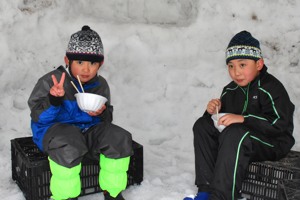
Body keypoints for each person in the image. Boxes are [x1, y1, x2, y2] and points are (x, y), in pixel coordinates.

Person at [184, 31, 295, 200]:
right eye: (231, 66)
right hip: (239, 139)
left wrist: (244, 119)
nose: (236, 72)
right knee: (202, 125)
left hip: (273, 143)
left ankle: (222, 196)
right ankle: (205, 190)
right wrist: (211, 112)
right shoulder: (230, 90)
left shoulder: (271, 88)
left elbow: (280, 124)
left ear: (258, 64)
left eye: (242, 65)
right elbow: (218, 123)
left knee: (235, 133)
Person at [28, 25, 133, 200]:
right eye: (80, 62)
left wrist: (102, 113)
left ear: (101, 63)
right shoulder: (52, 81)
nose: (86, 69)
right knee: (70, 142)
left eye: (92, 63)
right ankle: (66, 196)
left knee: (118, 137)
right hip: (54, 133)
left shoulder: (101, 85)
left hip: (88, 132)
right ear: (67, 60)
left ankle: (112, 192)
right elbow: (38, 116)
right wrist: (54, 99)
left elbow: (107, 120)